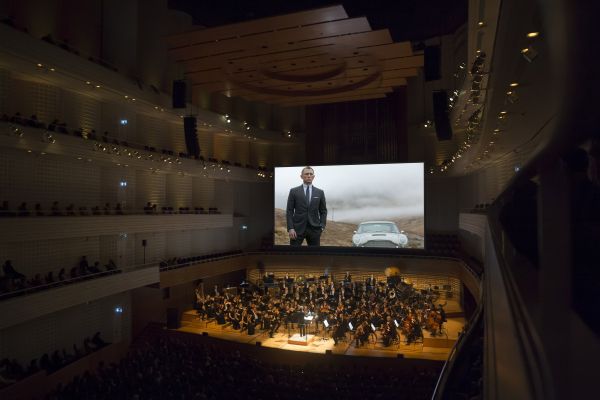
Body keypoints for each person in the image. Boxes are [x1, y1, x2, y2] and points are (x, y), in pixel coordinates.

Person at [286, 166, 327, 246]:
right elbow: (289, 211)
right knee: (293, 253)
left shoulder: (320, 192)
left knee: (314, 253)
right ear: (301, 176)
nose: (309, 176)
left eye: (311, 174)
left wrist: (322, 226)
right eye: (306, 174)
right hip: (297, 229)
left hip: (314, 230)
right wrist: (290, 228)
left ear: (313, 177)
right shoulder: (293, 191)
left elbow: (323, 211)